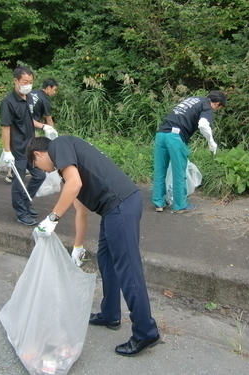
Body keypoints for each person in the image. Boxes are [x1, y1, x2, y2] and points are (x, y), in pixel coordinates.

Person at [26, 135, 160, 357]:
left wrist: (51, 219)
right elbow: (80, 211)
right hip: (113, 210)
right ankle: (110, 314)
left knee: (128, 270)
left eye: (36, 165)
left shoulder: (58, 145)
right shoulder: (66, 170)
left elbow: (75, 184)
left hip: (121, 204)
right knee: (107, 261)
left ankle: (146, 332)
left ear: (37, 154)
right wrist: (78, 247)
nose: (41, 170)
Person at [152, 90, 226, 213]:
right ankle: (179, 205)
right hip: (175, 138)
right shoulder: (207, 106)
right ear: (217, 103)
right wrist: (211, 141)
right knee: (179, 172)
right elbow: (203, 125)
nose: (215, 111)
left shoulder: (193, 99)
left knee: (160, 170)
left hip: (161, 135)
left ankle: (158, 203)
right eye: (218, 108)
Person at [0, 66, 53, 226]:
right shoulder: (8, 103)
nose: (28, 85)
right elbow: (5, 128)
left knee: (40, 175)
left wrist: (43, 126)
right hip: (17, 150)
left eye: (30, 82)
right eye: (25, 82)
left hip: (30, 147)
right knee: (18, 182)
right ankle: (21, 212)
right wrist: (7, 152)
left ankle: (25, 202)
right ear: (16, 81)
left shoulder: (28, 98)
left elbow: (29, 120)